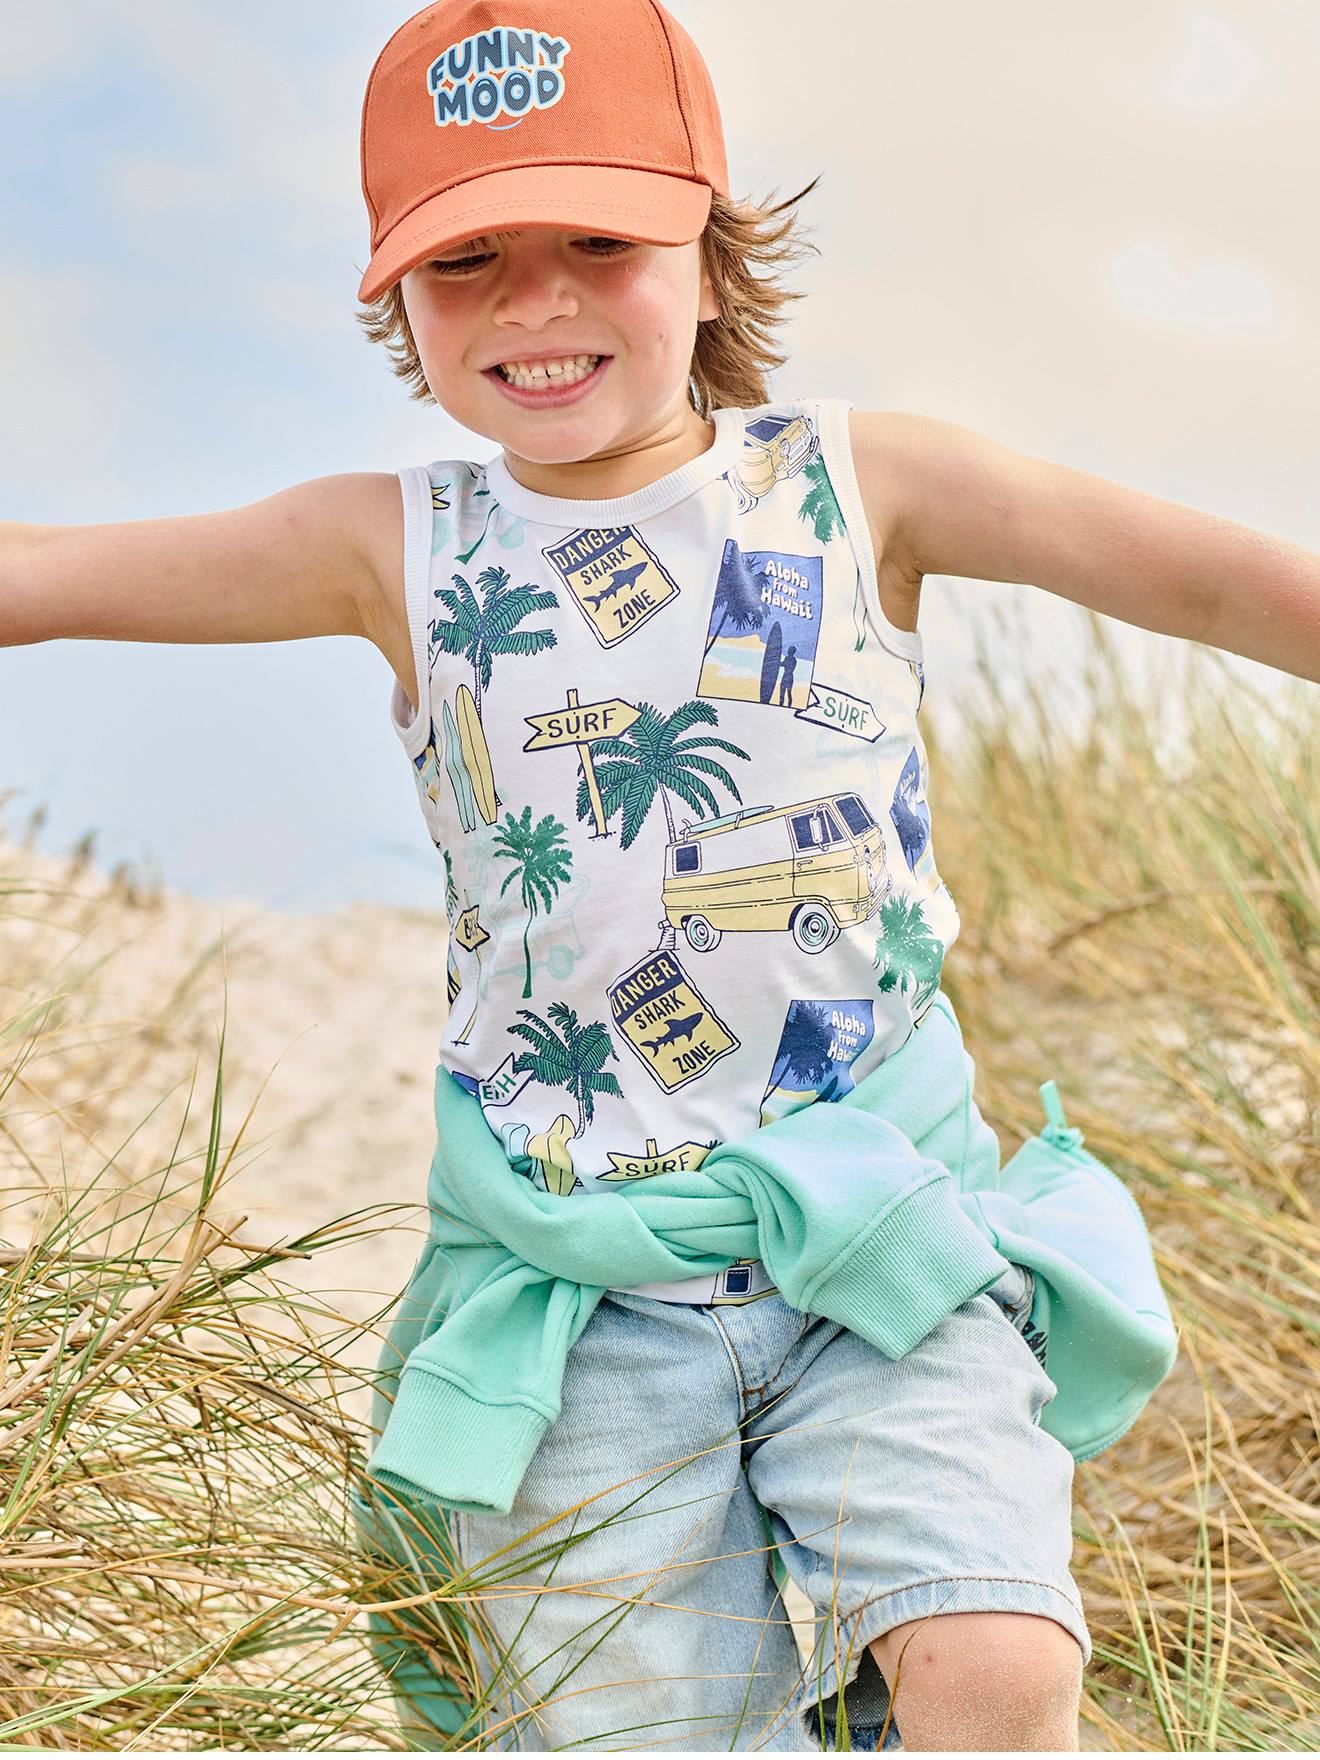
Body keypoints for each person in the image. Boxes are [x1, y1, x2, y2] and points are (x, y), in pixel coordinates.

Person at [4, 0, 1316, 1750]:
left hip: (878, 1224)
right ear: (396, 299)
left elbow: (1204, 580)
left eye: (597, 241)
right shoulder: (390, 543)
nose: (536, 301)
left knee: (996, 1663)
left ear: (709, 249)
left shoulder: (859, 483)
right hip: (584, 1276)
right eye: (467, 260)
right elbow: (51, 570)